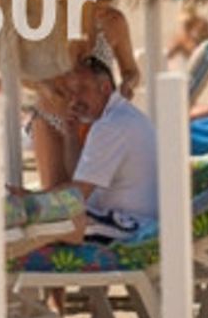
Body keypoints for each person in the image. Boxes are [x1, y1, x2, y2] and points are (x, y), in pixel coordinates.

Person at [27, 56, 159, 242]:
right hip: (128, 220)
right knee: (46, 216)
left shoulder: (111, 125)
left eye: (81, 90)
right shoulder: (122, 116)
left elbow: (78, 194)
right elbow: (80, 179)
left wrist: (29, 202)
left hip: (131, 227)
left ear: (104, 87)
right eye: (70, 93)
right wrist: (71, 136)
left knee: (49, 220)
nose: (74, 100)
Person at [71, 0, 141, 101]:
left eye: (105, 9)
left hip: (103, 104)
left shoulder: (115, 21)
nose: (99, 14)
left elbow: (131, 71)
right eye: (95, 8)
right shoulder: (68, 19)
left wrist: (127, 84)